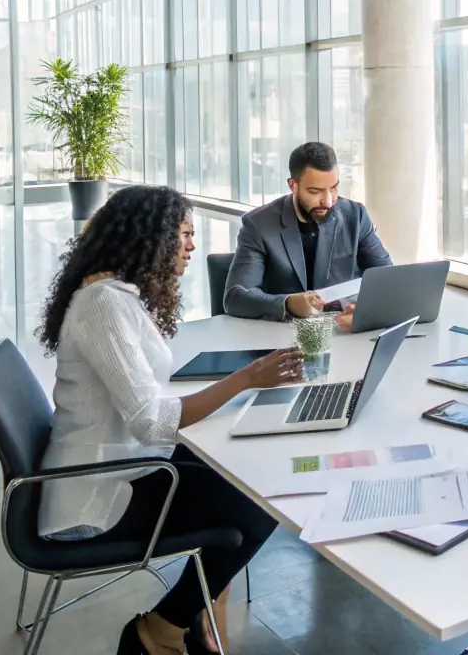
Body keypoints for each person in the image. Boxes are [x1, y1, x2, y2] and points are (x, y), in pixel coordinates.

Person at [37, 185, 305, 655]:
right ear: (150, 238)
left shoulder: (116, 294)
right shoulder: (104, 304)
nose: (192, 245)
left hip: (126, 466)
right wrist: (246, 378)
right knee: (260, 502)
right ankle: (161, 628)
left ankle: (194, 614)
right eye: (184, 234)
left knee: (241, 480)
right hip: (96, 499)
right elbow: (151, 421)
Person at [223, 142, 391, 332]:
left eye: (334, 188)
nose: (328, 200)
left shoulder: (356, 216)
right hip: (281, 340)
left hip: (344, 334)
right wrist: (288, 303)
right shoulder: (258, 225)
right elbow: (235, 298)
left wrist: (363, 311)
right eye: (315, 191)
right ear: (293, 185)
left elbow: (387, 279)